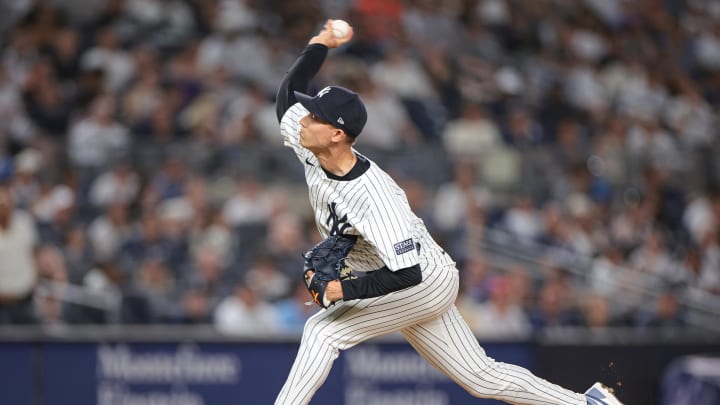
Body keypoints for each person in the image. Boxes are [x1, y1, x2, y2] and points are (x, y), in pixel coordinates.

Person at [273, 20, 624, 405]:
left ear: (337, 134)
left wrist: (345, 289)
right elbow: (288, 95)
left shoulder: (373, 195)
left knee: (323, 332)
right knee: (482, 378)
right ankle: (588, 403)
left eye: (314, 116)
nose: (302, 119)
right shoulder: (312, 143)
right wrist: (320, 43)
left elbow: (408, 273)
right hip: (404, 276)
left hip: (421, 282)